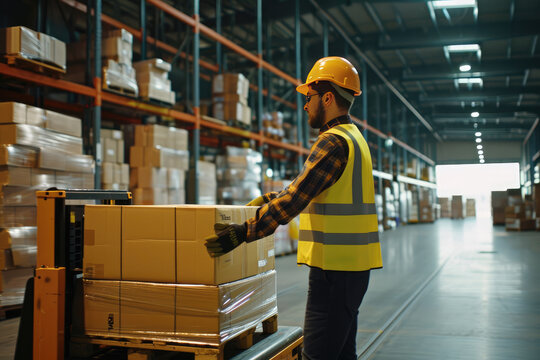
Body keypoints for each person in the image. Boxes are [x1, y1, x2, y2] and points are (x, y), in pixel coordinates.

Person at [205, 56, 383, 360]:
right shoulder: (355, 139)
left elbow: (297, 198)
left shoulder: (333, 142)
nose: (305, 106)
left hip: (334, 272)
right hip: (351, 270)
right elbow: (309, 189)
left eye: (309, 97)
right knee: (340, 354)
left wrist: (244, 233)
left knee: (316, 355)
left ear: (327, 98)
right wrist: (270, 199)